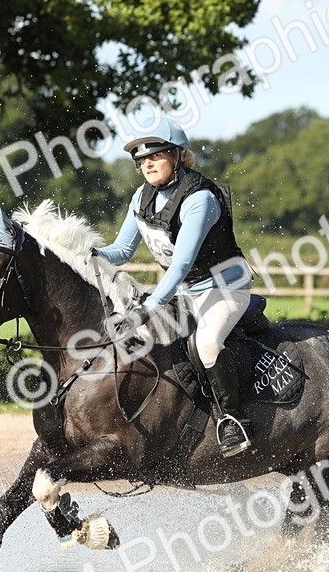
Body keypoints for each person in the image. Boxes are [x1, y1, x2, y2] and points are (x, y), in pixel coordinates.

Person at [93, 117, 254, 457]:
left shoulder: (200, 199)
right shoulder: (142, 196)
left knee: (207, 343)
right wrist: (82, 252)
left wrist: (148, 308)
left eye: (156, 155)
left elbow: (180, 265)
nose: (147, 163)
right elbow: (120, 252)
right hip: (183, 291)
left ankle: (232, 421)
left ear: (179, 156)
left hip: (224, 287)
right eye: (140, 159)